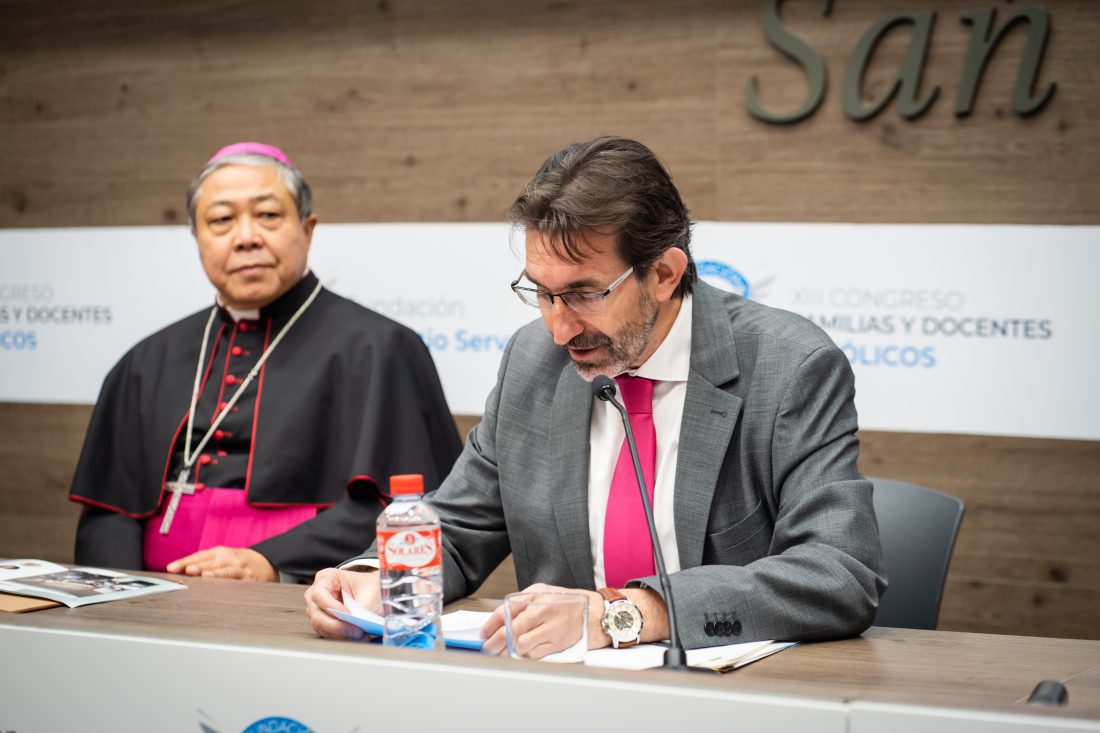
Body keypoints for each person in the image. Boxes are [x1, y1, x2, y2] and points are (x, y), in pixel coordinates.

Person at [305, 136, 885, 653]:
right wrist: (377, 577)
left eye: (583, 294)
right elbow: (458, 529)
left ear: (663, 273)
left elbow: (837, 572)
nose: (559, 329)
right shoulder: (533, 361)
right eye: (542, 293)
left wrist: (629, 612)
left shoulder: (789, 367)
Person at [70, 142, 462, 582]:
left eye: (268, 215)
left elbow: (411, 509)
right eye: (221, 220)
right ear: (197, 238)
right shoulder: (145, 362)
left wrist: (275, 561)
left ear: (308, 229)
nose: (246, 236)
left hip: (307, 595)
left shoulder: (382, 349)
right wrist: (123, 600)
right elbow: (108, 512)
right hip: (153, 598)